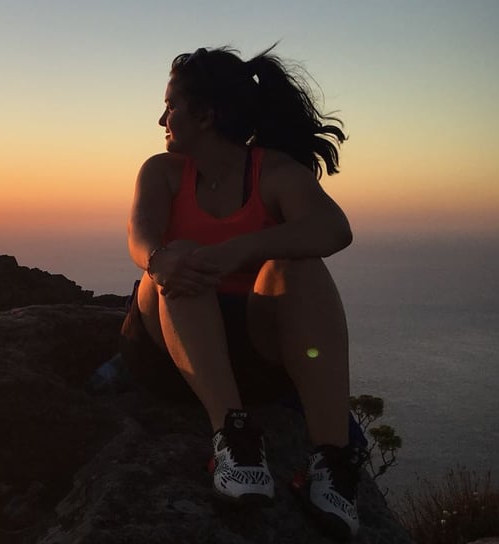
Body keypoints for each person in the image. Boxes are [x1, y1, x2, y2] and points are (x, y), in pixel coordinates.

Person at [125, 45, 366, 540]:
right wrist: (162, 258)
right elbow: (140, 236)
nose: (161, 119)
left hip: (253, 356)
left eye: (171, 106)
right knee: (180, 259)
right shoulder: (162, 171)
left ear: (206, 115)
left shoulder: (273, 173)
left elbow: (333, 228)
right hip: (172, 352)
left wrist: (242, 249)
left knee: (300, 267)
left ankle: (331, 463)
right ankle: (234, 442)